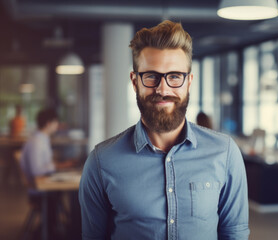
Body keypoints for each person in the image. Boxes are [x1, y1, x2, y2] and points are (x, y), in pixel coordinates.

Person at [79, 20, 249, 240]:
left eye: (175, 77)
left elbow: (234, 234)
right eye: (151, 76)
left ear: (189, 82)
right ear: (134, 81)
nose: (163, 88)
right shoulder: (101, 162)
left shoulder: (225, 153)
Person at [20, 108, 73, 185]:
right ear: (48, 123)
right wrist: (59, 166)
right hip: (40, 187)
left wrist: (60, 165)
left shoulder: (43, 138)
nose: (57, 124)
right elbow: (36, 171)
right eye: (56, 122)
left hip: (45, 181)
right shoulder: (37, 142)